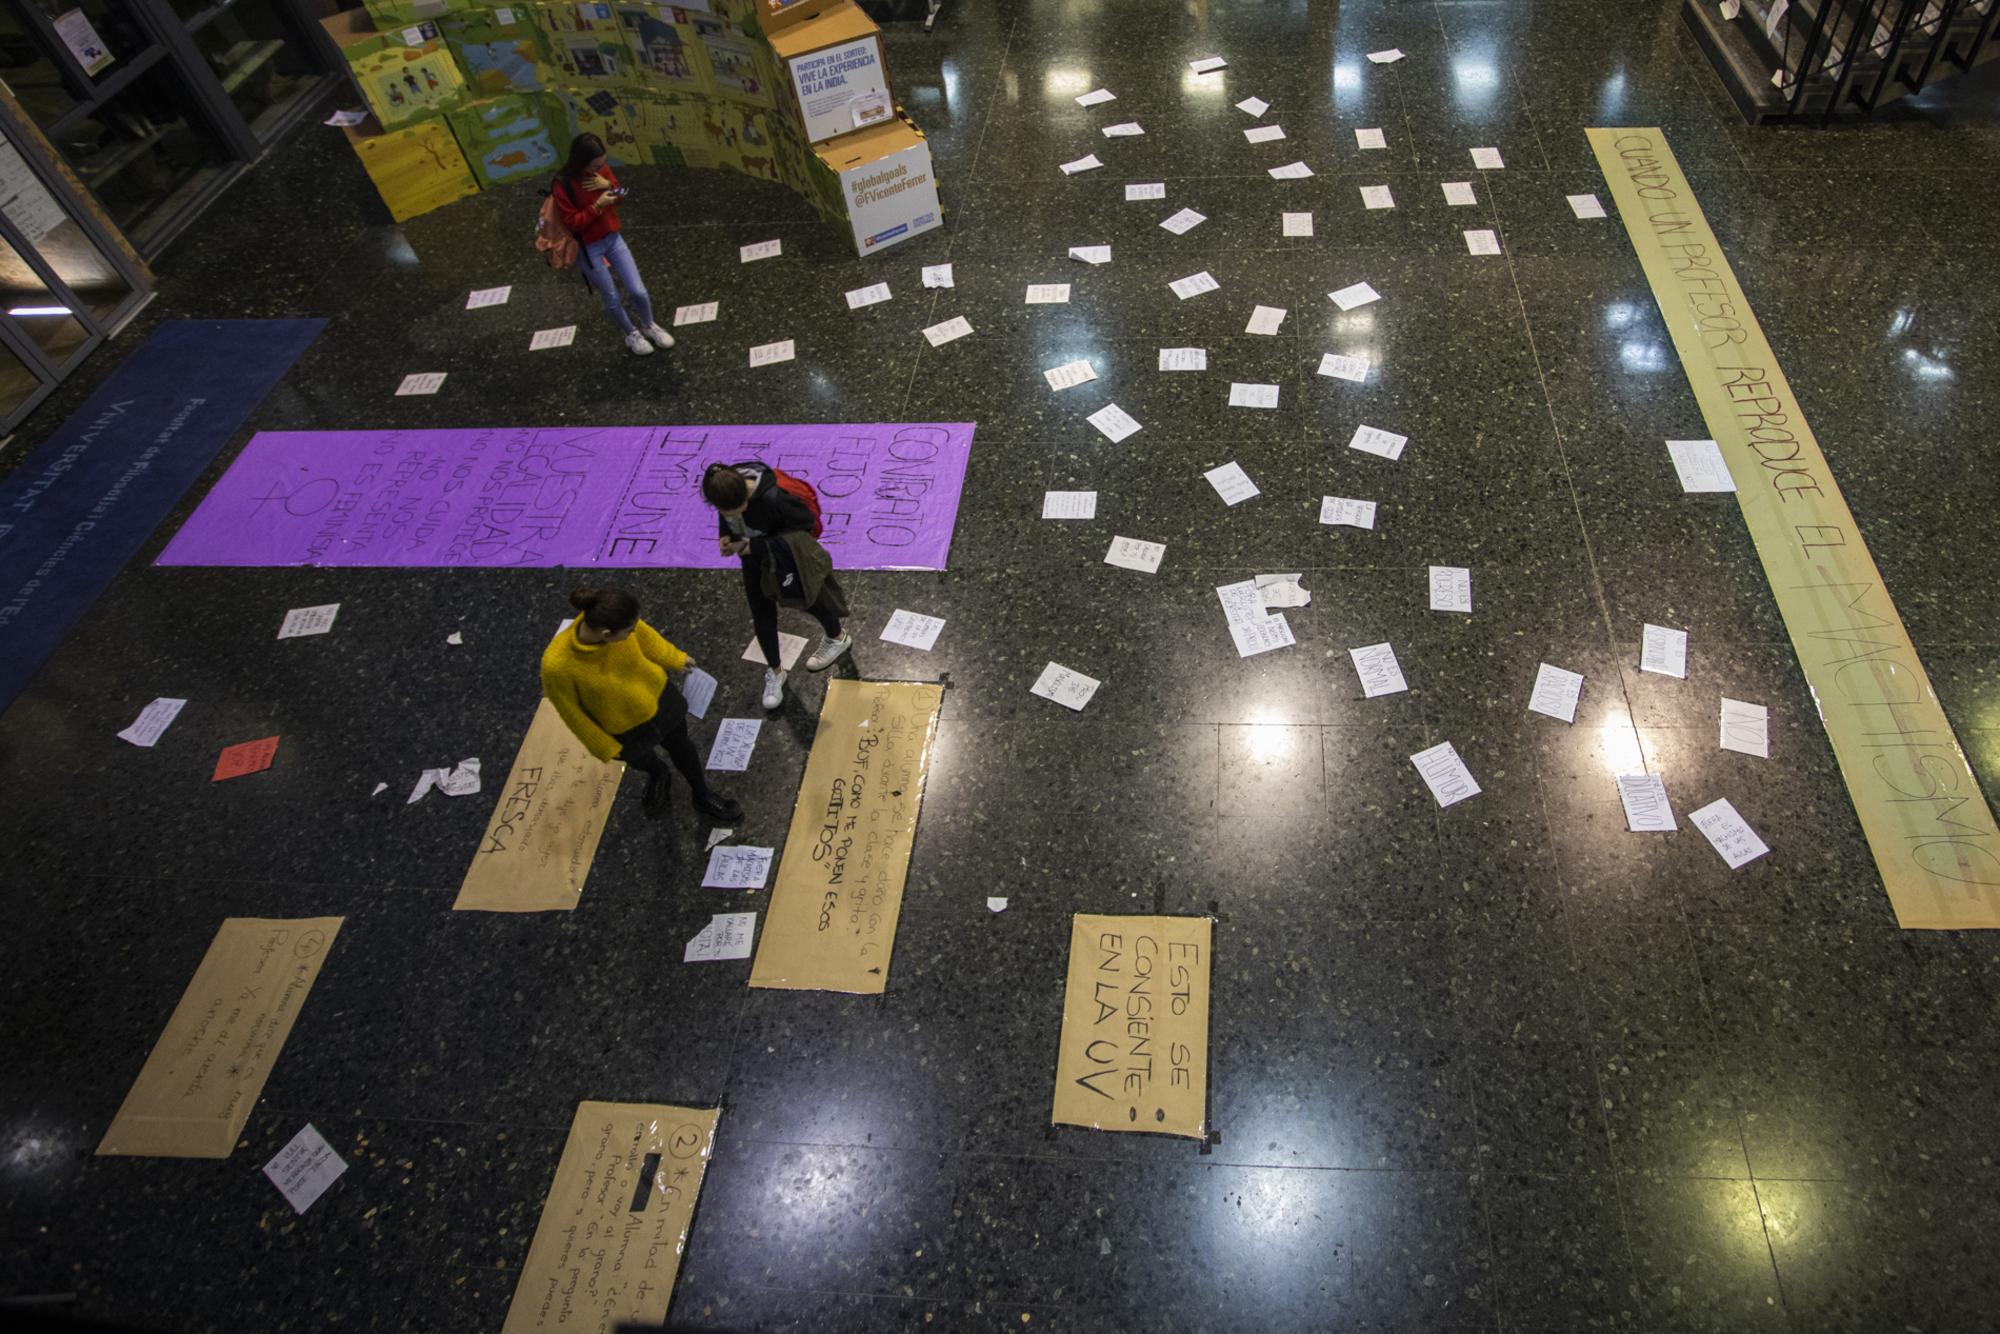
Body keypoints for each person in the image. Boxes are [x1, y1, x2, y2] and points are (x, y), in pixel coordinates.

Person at [540, 585, 743, 823]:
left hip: (659, 700)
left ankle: (701, 793)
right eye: (628, 631)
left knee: (682, 747)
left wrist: (675, 658)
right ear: (606, 635)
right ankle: (658, 773)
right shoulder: (557, 665)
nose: (633, 632)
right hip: (623, 727)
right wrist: (603, 746)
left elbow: (646, 637)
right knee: (639, 759)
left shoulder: (619, 619)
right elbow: (570, 712)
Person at [702, 462, 851, 710]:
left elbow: (805, 525)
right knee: (762, 616)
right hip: (754, 561)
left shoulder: (774, 498)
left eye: (737, 509)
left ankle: (837, 637)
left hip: (785, 560)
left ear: (745, 493)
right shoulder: (725, 489)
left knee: (808, 601)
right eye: (724, 511)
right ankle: (775, 670)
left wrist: (754, 546)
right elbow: (727, 516)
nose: (732, 515)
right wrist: (726, 536)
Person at [550, 133, 675, 357]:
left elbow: (621, 195)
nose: (598, 168)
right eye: (594, 165)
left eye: (601, 164)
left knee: (638, 289)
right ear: (581, 162)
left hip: (613, 239)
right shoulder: (563, 185)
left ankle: (649, 325)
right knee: (612, 296)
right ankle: (631, 333)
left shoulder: (603, 172)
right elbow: (572, 223)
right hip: (588, 248)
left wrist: (609, 184)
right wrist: (597, 206)